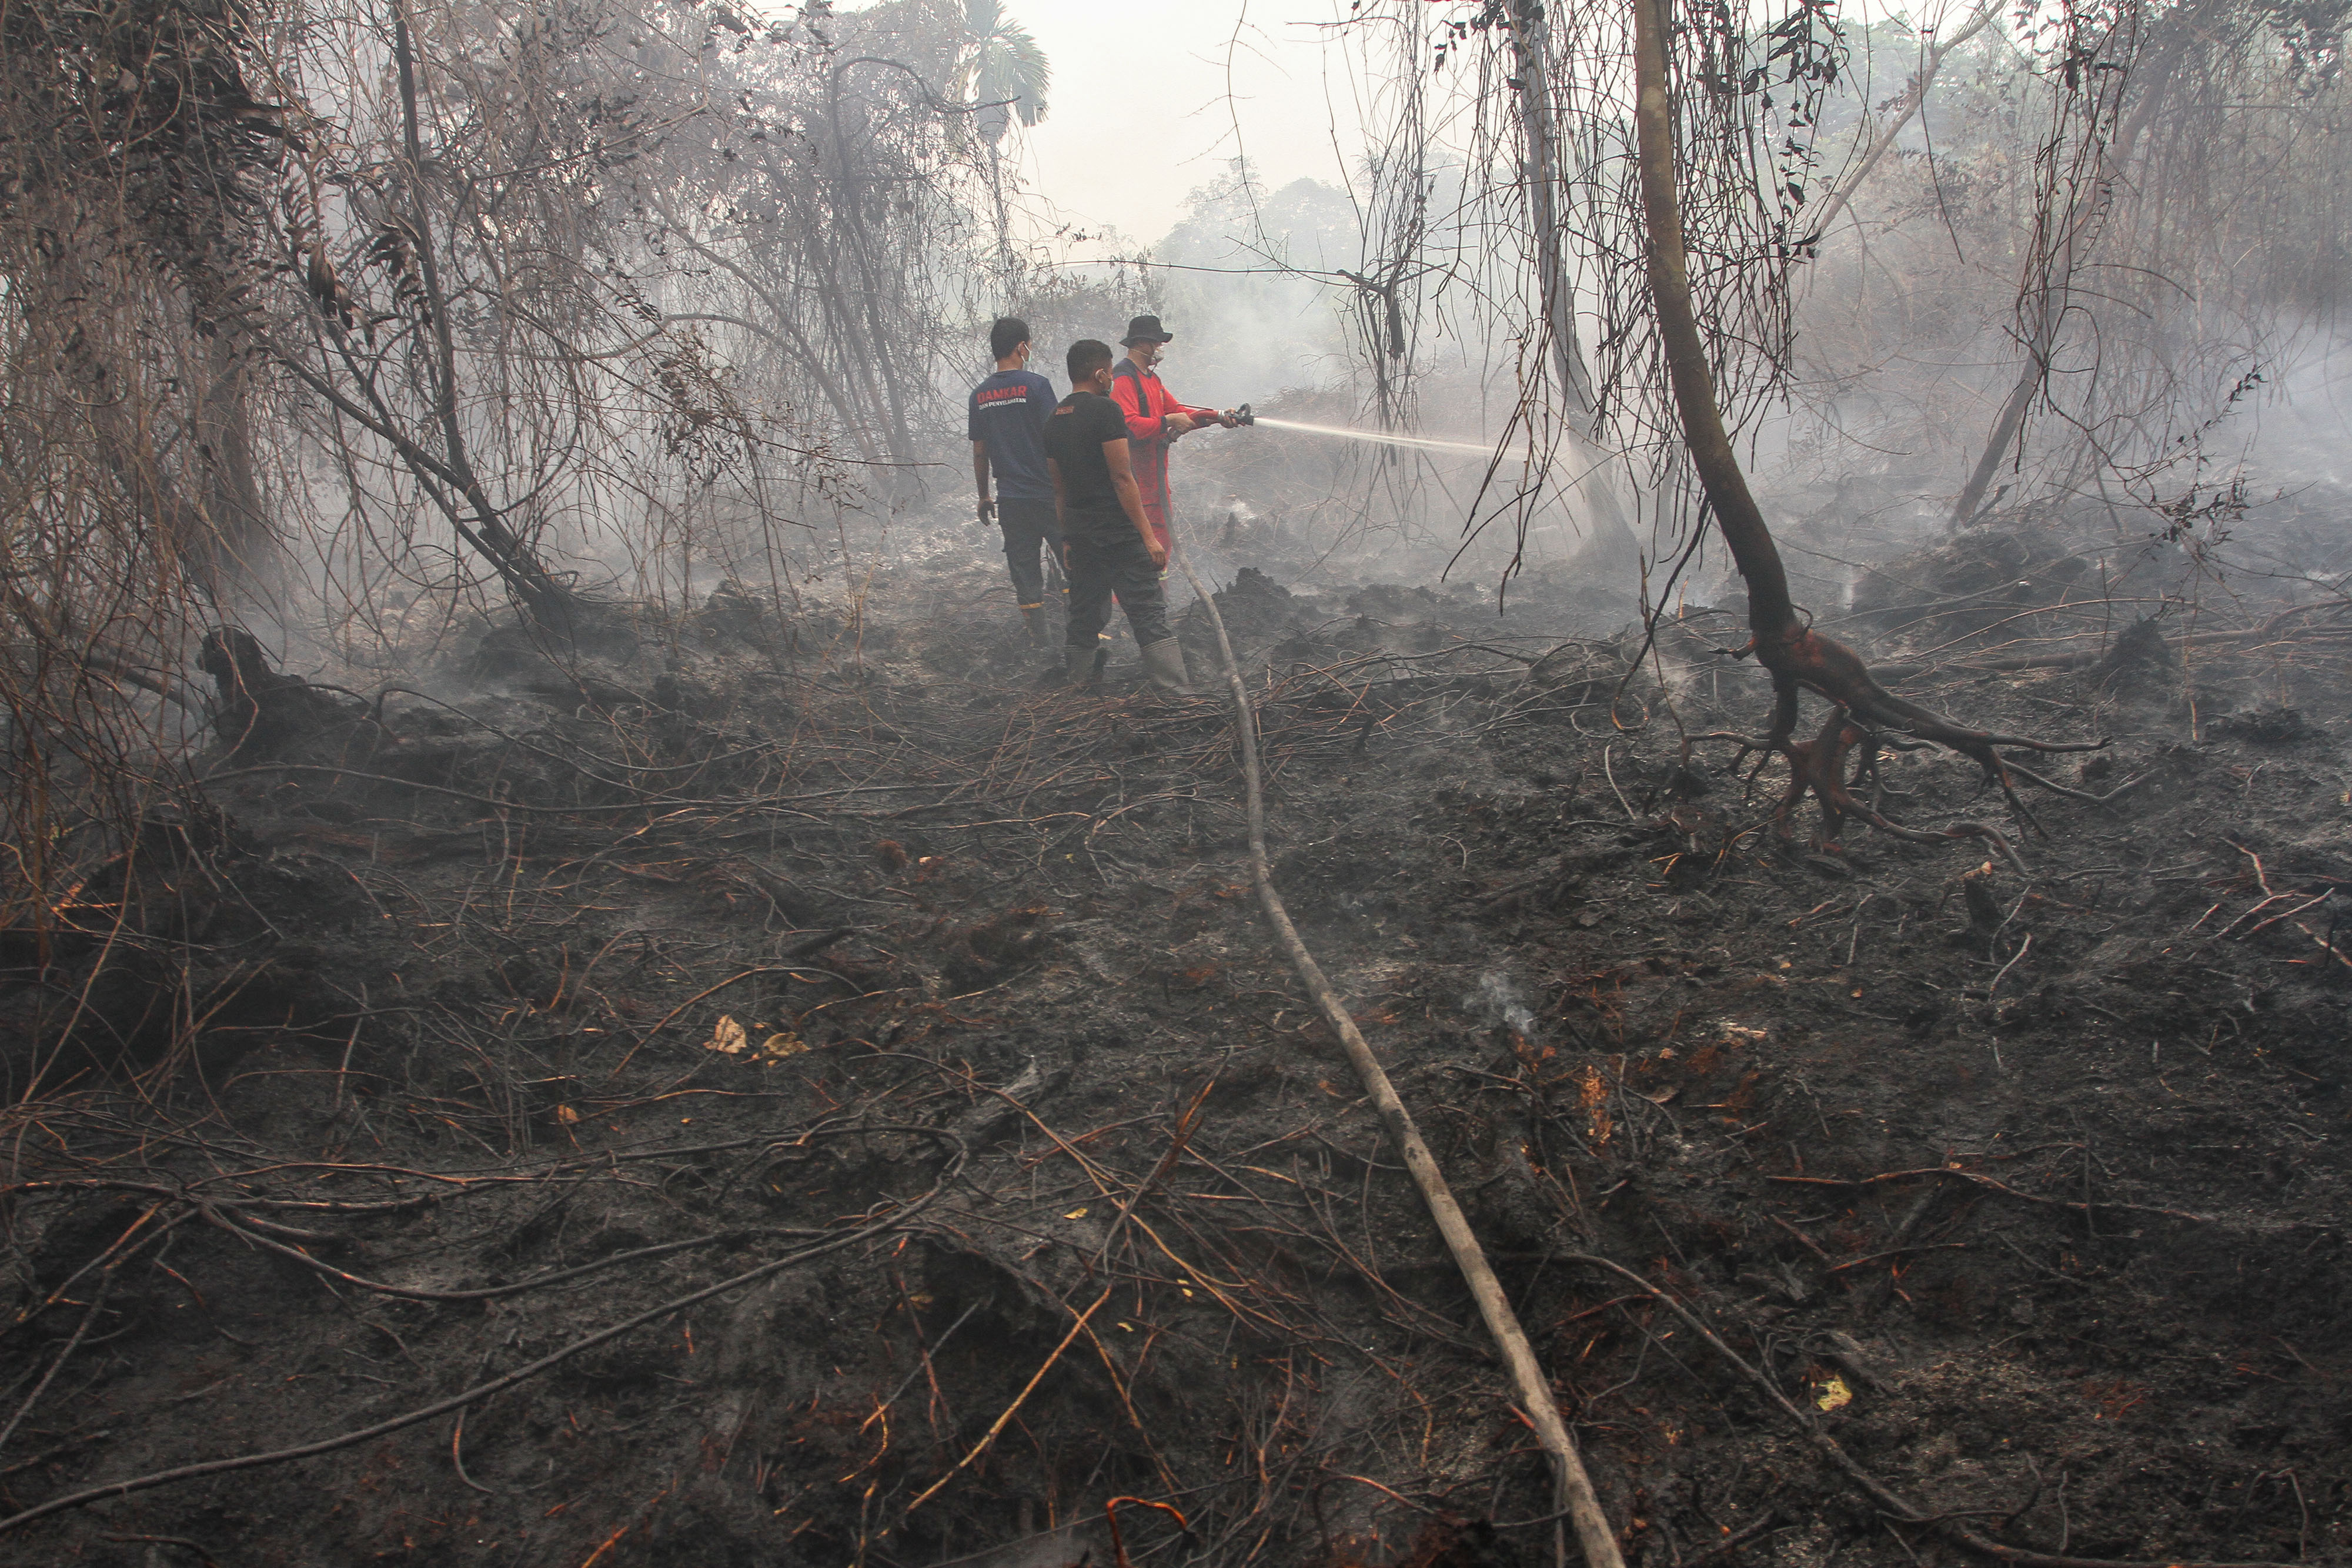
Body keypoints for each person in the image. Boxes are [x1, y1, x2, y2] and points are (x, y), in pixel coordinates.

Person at [1043, 340, 1192, 694]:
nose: (1112, 378)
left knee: (1084, 615)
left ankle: (1077, 689)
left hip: (1081, 535)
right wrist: (1149, 536)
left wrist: (1067, 539)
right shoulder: (1106, 411)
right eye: (1110, 372)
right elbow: (1122, 478)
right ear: (1100, 373)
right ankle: (1177, 694)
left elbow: (1059, 491)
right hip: (1119, 534)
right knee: (1147, 610)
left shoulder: (1052, 420)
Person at [1106, 315, 1240, 563]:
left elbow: (1180, 413)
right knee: (1141, 543)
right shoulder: (1124, 379)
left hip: (1155, 477)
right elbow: (1129, 427)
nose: (1160, 348)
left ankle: (1158, 593)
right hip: (1136, 479)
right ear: (1142, 344)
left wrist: (1219, 416)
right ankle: (1131, 598)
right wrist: (1167, 422)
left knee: (1162, 539)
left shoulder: (1152, 380)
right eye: (1157, 343)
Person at [968, 316, 1061, 646]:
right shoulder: (1037, 386)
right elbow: (1055, 442)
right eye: (1029, 344)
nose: (1030, 350)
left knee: (1025, 573)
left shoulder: (979, 396)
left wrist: (983, 495)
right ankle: (1078, 633)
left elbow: (981, 453)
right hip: (1048, 496)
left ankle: (1040, 641)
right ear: (1021, 346)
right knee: (1070, 562)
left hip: (1010, 500)